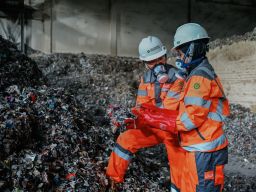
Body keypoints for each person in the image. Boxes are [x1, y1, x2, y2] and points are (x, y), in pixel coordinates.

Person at [106, 36, 186, 191]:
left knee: (179, 163)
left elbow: (169, 111)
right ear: (145, 63)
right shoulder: (145, 80)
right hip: (154, 127)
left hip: (174, 129)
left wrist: (147, 115)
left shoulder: (178, 77)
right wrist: (132, 121)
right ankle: (113, 180)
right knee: (125, 139)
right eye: (151, 61)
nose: (156, 65)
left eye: (159, 59)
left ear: (165, 56)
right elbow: (142, 108)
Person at [172, 23, 229, 192]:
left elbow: (191, 119)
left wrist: (167, 123)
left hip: (205, 147)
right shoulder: (194, 74)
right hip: (199, 145)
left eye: (181, 52)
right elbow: (174, 104)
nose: (180, 57)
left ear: (192, 49)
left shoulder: (199, 78)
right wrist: (181, 78)